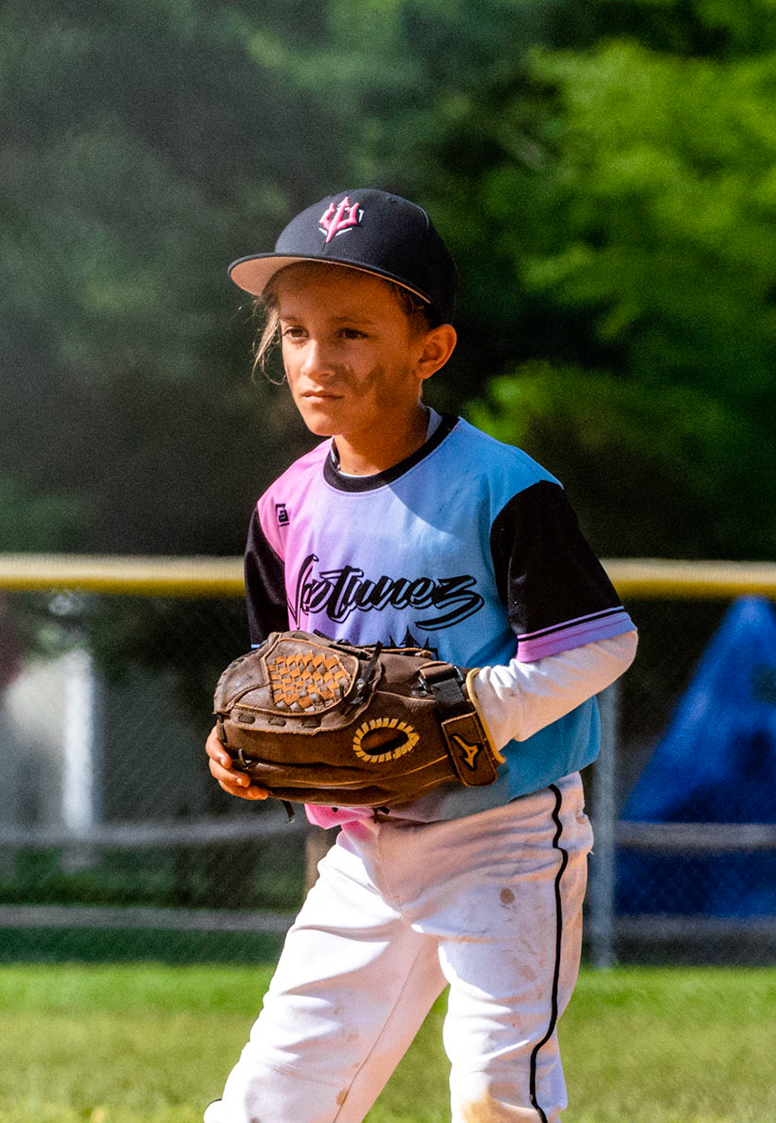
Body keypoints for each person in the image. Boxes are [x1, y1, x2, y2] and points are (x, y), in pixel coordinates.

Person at [203, 191, 638, 1122]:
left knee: (495, 1092)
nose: (317, 361)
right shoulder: (284, 509)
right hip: (362, 846)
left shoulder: (501, 487)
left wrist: (470, 709)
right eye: (295, 333)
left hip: (505, 838)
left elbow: (601, 644)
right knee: (273, 1097)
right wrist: (242, 750)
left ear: (428, 351)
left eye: (352, 333)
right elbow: (275, 682)